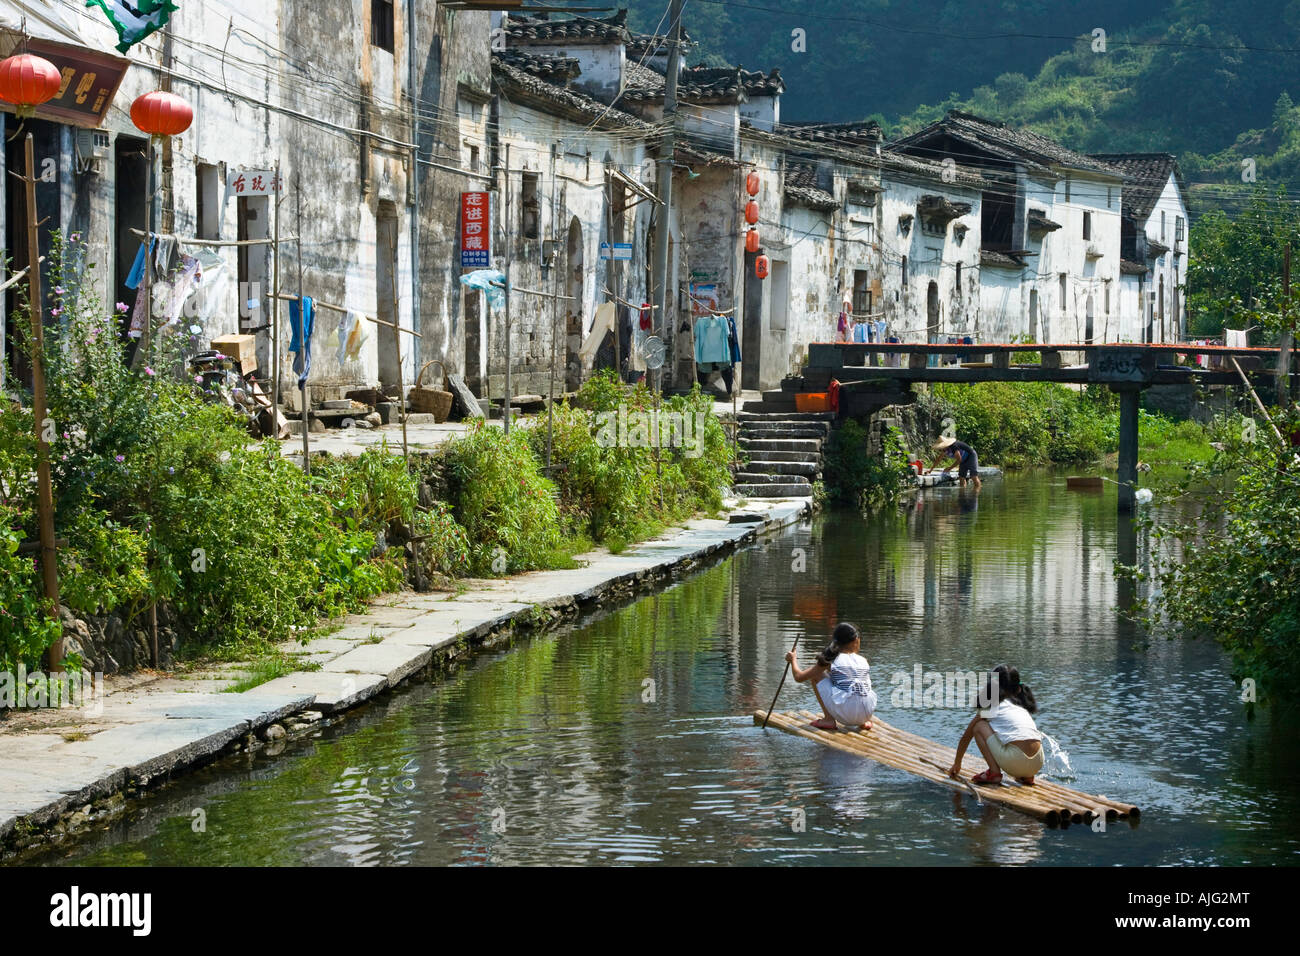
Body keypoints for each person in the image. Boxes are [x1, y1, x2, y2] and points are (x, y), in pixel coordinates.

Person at [948, 665, 1044, 786]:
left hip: (1017, 761)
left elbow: (966, 737)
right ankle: (1027, 777)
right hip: (1038, 762)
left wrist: (957, 763)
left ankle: (994, 773)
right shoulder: (1021, 706)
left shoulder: (991, 707)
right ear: (1018, 688)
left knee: (979, 726)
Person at [785, 622, 877, 731]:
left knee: (817, 675)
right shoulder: (863, 660)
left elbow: (799, 677)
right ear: (856, 640)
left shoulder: (830, 659)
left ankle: (828, 719)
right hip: (867, 713)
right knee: (859, 680)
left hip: (845, 715)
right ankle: (863, 722)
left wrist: (793, 660)